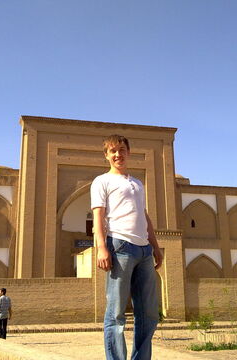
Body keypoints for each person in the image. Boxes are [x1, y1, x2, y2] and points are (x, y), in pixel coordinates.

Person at [91, 135, 163, 360]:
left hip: (144, 250)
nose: (118, 154)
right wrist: (101, 247)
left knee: (148, 314)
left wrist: (155, 246)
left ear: (128, 152)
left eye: (121, 150)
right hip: (119, 246)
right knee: (116, 314)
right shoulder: (102, 181)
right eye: (113, 151)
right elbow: (98, 216)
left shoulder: (137, 183)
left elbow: (144, 215)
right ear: (106, 155)